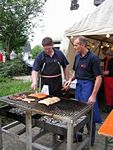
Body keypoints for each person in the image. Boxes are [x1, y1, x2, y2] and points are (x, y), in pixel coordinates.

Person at [64, 35, 102, 146]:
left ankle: (90, 140)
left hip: (88, 86)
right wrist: (70, 80)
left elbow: (99, 78)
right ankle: (78, 137)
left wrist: (93, 95)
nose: (74, 47)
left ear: (83, 45)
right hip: (79, 86)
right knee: (78, 113)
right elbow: (75, 72)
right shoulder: (77, 56)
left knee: (90, 114)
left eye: (76, 45)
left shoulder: (93, 58)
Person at [101, 47, 113, 112]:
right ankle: (109, 108)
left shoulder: (112, 61)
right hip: (107, 79)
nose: (106, 56)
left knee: (110, 94)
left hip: (110, 79)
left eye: (108, 55)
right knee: (108, 94)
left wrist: (101, 73)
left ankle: (109, 109)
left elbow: (109, 72)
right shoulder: (106, 59)